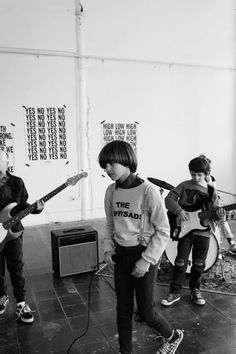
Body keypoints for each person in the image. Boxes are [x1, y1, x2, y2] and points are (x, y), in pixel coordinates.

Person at [98, 140, 184, 354]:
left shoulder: (148, 192)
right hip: (121, 254)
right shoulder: (111, 191)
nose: (107, 169)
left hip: (143, 254)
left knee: (146, 312)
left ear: (127, 161)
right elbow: (110, 222)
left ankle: (173, 336)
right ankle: (125, 350)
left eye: (111, 164)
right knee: (123, 309)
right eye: (104, 166)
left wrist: (146, 261)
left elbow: (163, 230)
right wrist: (108, 248)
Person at [161, 155, 222, 307]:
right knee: (180, 262)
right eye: (193, 173)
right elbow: (168, 199)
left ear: (206, 174)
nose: (195, 177)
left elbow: (216, 212)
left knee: (199, 263)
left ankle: (196, 290)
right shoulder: (183, 185)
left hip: (204, 233)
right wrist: (179, 210)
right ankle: (174, 292)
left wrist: (220, 214)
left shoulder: (211, 191)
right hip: (185, 231)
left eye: (199, 174)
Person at [0, 149, 44, 323]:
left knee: (16, 266)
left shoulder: (16, 182)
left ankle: (21, 303)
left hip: (13, 232)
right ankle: (2, 297)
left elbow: (21, 206)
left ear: (5, 163)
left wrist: (37, 209)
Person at [199, 154, 236, 254]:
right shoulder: (199, 179)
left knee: (222, 217)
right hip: (202, 209)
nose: (209, 171)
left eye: (210, 169)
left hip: (213, 206)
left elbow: (214, 195)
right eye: (208, 169)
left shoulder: (212, 179)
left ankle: (230, 243)